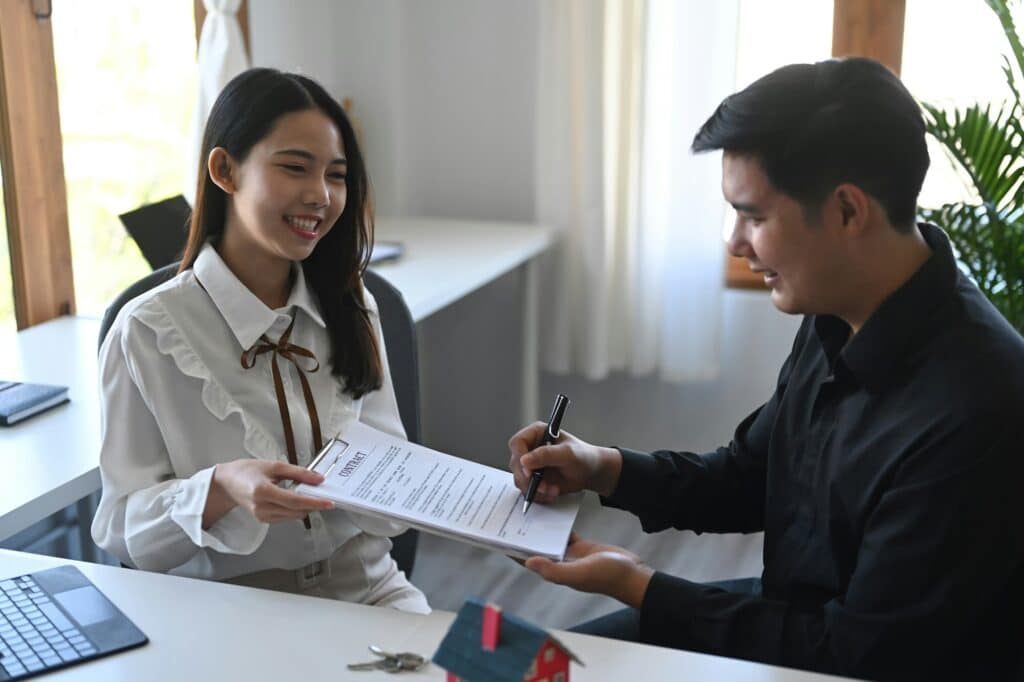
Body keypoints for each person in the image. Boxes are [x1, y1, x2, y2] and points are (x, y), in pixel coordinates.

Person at [508, 57, 1024, 680]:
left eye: (753, 216)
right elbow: (753, 474)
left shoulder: (978, 407)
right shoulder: (842, 305)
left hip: (834, 659)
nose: (734, 242)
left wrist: (638, 584)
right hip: (787, 626)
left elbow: (852, 656)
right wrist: (602, 467)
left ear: (847, 212)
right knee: (502, 662)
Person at [92, 68, 429, 614]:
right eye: (295, 167)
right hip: (232, 609)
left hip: (370, 588)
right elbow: (119, 526)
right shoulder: (148, 332)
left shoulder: (351, 302)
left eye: (337, 176)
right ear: (225, 170)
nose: (320, 195)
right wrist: (221, 487)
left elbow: (392, 473)